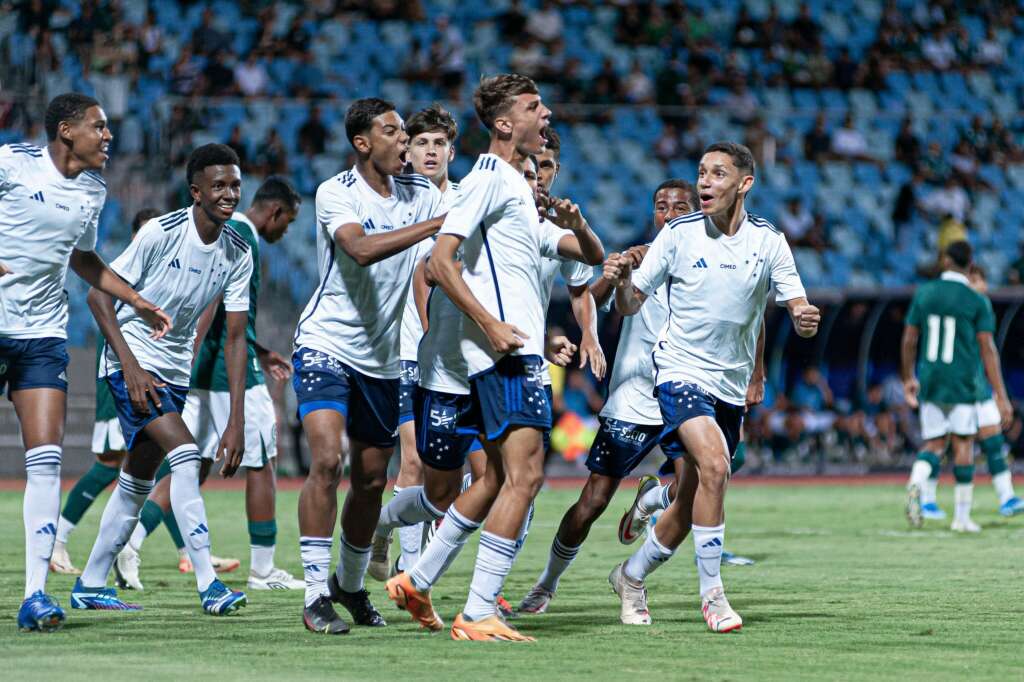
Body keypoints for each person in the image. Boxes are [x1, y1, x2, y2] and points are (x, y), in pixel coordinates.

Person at [386, 73, 603, 642]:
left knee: (497, 478)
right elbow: (439, 261)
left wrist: (577, 223)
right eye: (535, 106)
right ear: (505, 124)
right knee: (525, 478)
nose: (546, 113)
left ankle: (418, 578)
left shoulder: (515, 189)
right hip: (506, 356)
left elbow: (591, 256)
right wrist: (490, 324)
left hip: (512, 354)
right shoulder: (487, 177)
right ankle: (478, 608)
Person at [607, 142, 819, 632]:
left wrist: (804, 319)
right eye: (702, 172)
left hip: (729, 384)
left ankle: (630, 577)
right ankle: (714, 597)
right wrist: (620, 283)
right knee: (717, 465)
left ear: (745, 184)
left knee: (690, 500)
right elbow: (630, 304)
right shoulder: (678, 234)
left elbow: (797, 307)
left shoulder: (769, 241)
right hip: (679, 373)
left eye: (718, 173)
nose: (705, 181)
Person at [2, 93, 170, 632]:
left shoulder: (93, 191)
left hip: (42, 334)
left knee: (46, 459)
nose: (108, 136)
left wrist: (135, 299)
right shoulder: (12, 163)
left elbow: (83, 257)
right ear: (66, 130)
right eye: (98, 127)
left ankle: (34, 596)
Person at [71, 143, 253, 616]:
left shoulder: (237, 251)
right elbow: (98, 297)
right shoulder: (161, 232)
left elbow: (235, 339)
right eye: (218, 185)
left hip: (174, 372)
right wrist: (130, 366)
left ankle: (90, 583)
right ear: (196, 192)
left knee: (136, 480)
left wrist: (236, 420)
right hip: (132, 363)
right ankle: (209, 584)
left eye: (235, 185)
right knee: (186, 456)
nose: (229, 194)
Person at [293, 98, 445, 635]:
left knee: (372, 480)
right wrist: (435, 224)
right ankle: (315, 595)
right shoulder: (336, 192)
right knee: (327, 461)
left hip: (382, 360)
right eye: (391, 131)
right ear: (362, 143)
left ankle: (350, 586)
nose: (403, 140)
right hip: (326, 344)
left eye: (404, 131)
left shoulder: (423, 194)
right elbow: (357, 249)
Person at [516, 179, 698, 615]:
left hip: (688, 392)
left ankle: (648, 514)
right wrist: (613, 277)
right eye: (661, 206)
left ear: (696, 212)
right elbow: (590, 305)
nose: (669, 214)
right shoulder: (639, 258)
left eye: (679, 206)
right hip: (636, 396)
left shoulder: (712, 260)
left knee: (699, 488)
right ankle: (546, 584)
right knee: (594, 501)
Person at [115, 176, 304, 592]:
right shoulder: (241, 236)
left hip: (203, 369)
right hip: (226, 372)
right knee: (262, 460)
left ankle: (130, 541)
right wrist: (193, 349)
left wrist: (260, 350)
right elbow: (212, 301)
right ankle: (263, 569)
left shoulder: (222, 228)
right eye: (287, 222)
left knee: (192, 466)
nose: (285, 231)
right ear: (275, 212)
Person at [371, 103, 463, 581]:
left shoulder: (468, 201)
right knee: (412, 458)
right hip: (406, 348)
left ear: (452, 151)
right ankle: (409, 573)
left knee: (456, 476)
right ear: (407, 152)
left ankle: (385, 526)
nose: (430, 151)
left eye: (438, 143)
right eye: (421, 142)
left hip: (460, 358)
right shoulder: (395, 202)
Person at [50, 208, 160, 576]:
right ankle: (59, 539)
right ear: (135, 237)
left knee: (154, 465)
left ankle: (179, 550)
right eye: (146, 232)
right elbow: (103, 313)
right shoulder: (123, 275)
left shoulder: (157, 275)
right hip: (120, 379)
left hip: (145, 378)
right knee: (115, 464)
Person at [902, 241, 1012, 533]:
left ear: (946, 261)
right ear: (970, 264)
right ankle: (961, 518)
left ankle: (915, 481)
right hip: (962, 382)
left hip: (930, 378)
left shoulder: (924, 293)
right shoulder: (976, 300)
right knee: (964, 444)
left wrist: (908, 378)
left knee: (935, 444)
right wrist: (1001, 395)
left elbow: (910, 339)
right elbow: (987, 348)